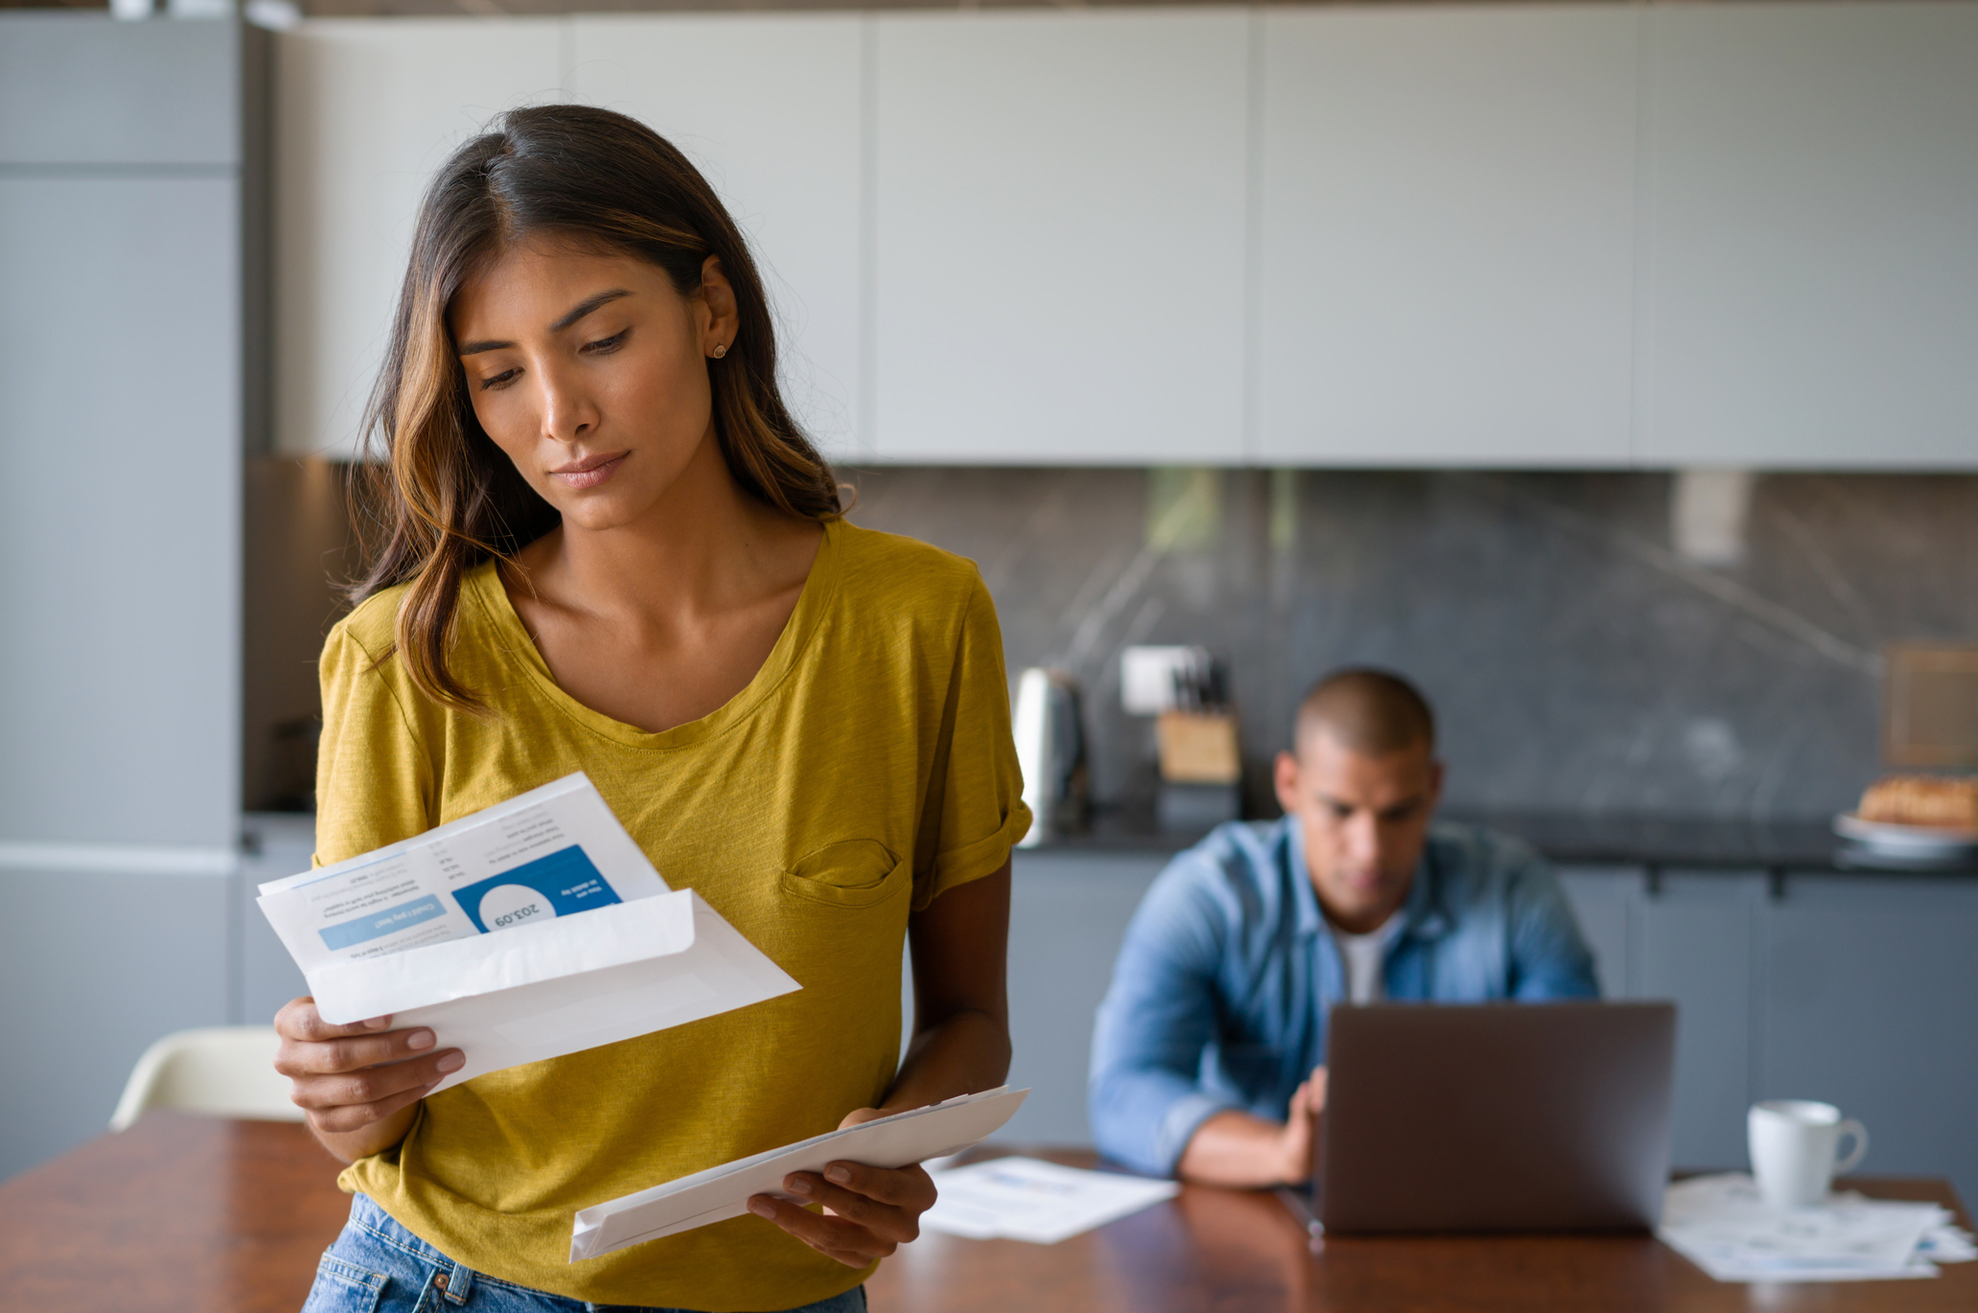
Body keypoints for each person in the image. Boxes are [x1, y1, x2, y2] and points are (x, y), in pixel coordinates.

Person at [272, 105, 1029, 1313]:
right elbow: (375, 1102)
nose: (558, 413)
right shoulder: (399, 659)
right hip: (443, 1284)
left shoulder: (916, 623)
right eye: (499, 374)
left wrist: (893, 1144)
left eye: (601, 339)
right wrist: (340, 1084)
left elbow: (971, 1020)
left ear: (713, 311)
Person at [1088, 667, 1597, 1187]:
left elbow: (1576, 1087)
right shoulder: (1211, 897)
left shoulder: (1514, 893)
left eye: (1399, 813)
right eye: (1339, 810)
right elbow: (1126, 1091)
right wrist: (1279, 1153)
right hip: (1264, 1209)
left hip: (1461, 1201)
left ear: (1434, 787)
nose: (1369, 849)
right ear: (1290, 783)